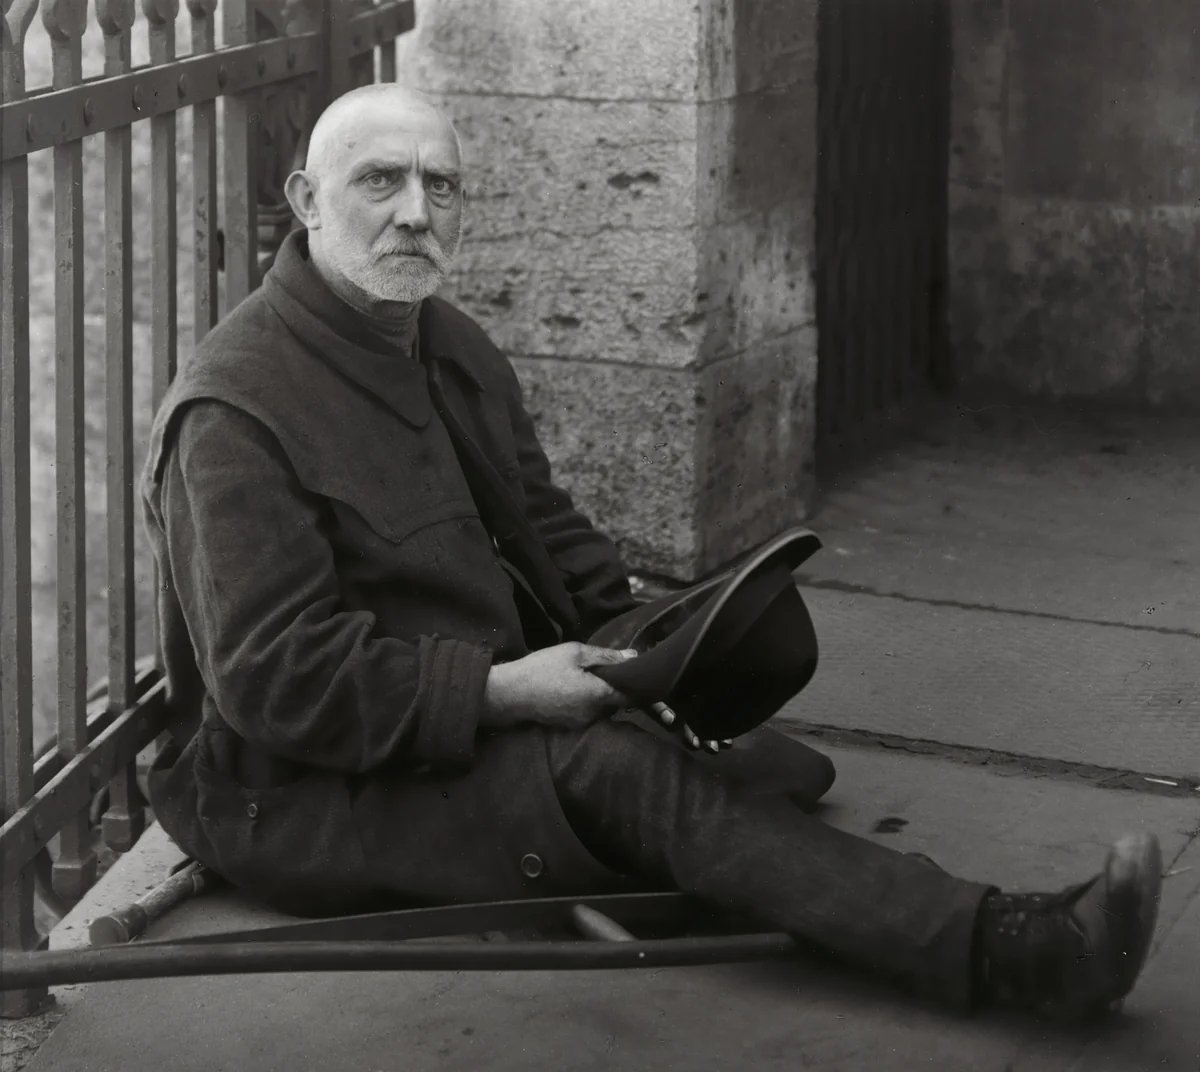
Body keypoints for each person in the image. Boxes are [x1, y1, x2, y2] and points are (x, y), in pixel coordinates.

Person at [141, 83, 1161, 1021]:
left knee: (767, 744)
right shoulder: (236, 409)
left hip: (477, 703)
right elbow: (276, 683)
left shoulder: (447, 341)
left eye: (440, 185)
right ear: (304, 199)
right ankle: (1016, 947)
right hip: (306, 794)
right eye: (380, 181)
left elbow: (548, 530)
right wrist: (507, 694)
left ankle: (678, 815)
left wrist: (648, 636)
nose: (415, 212)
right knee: (631, 777)